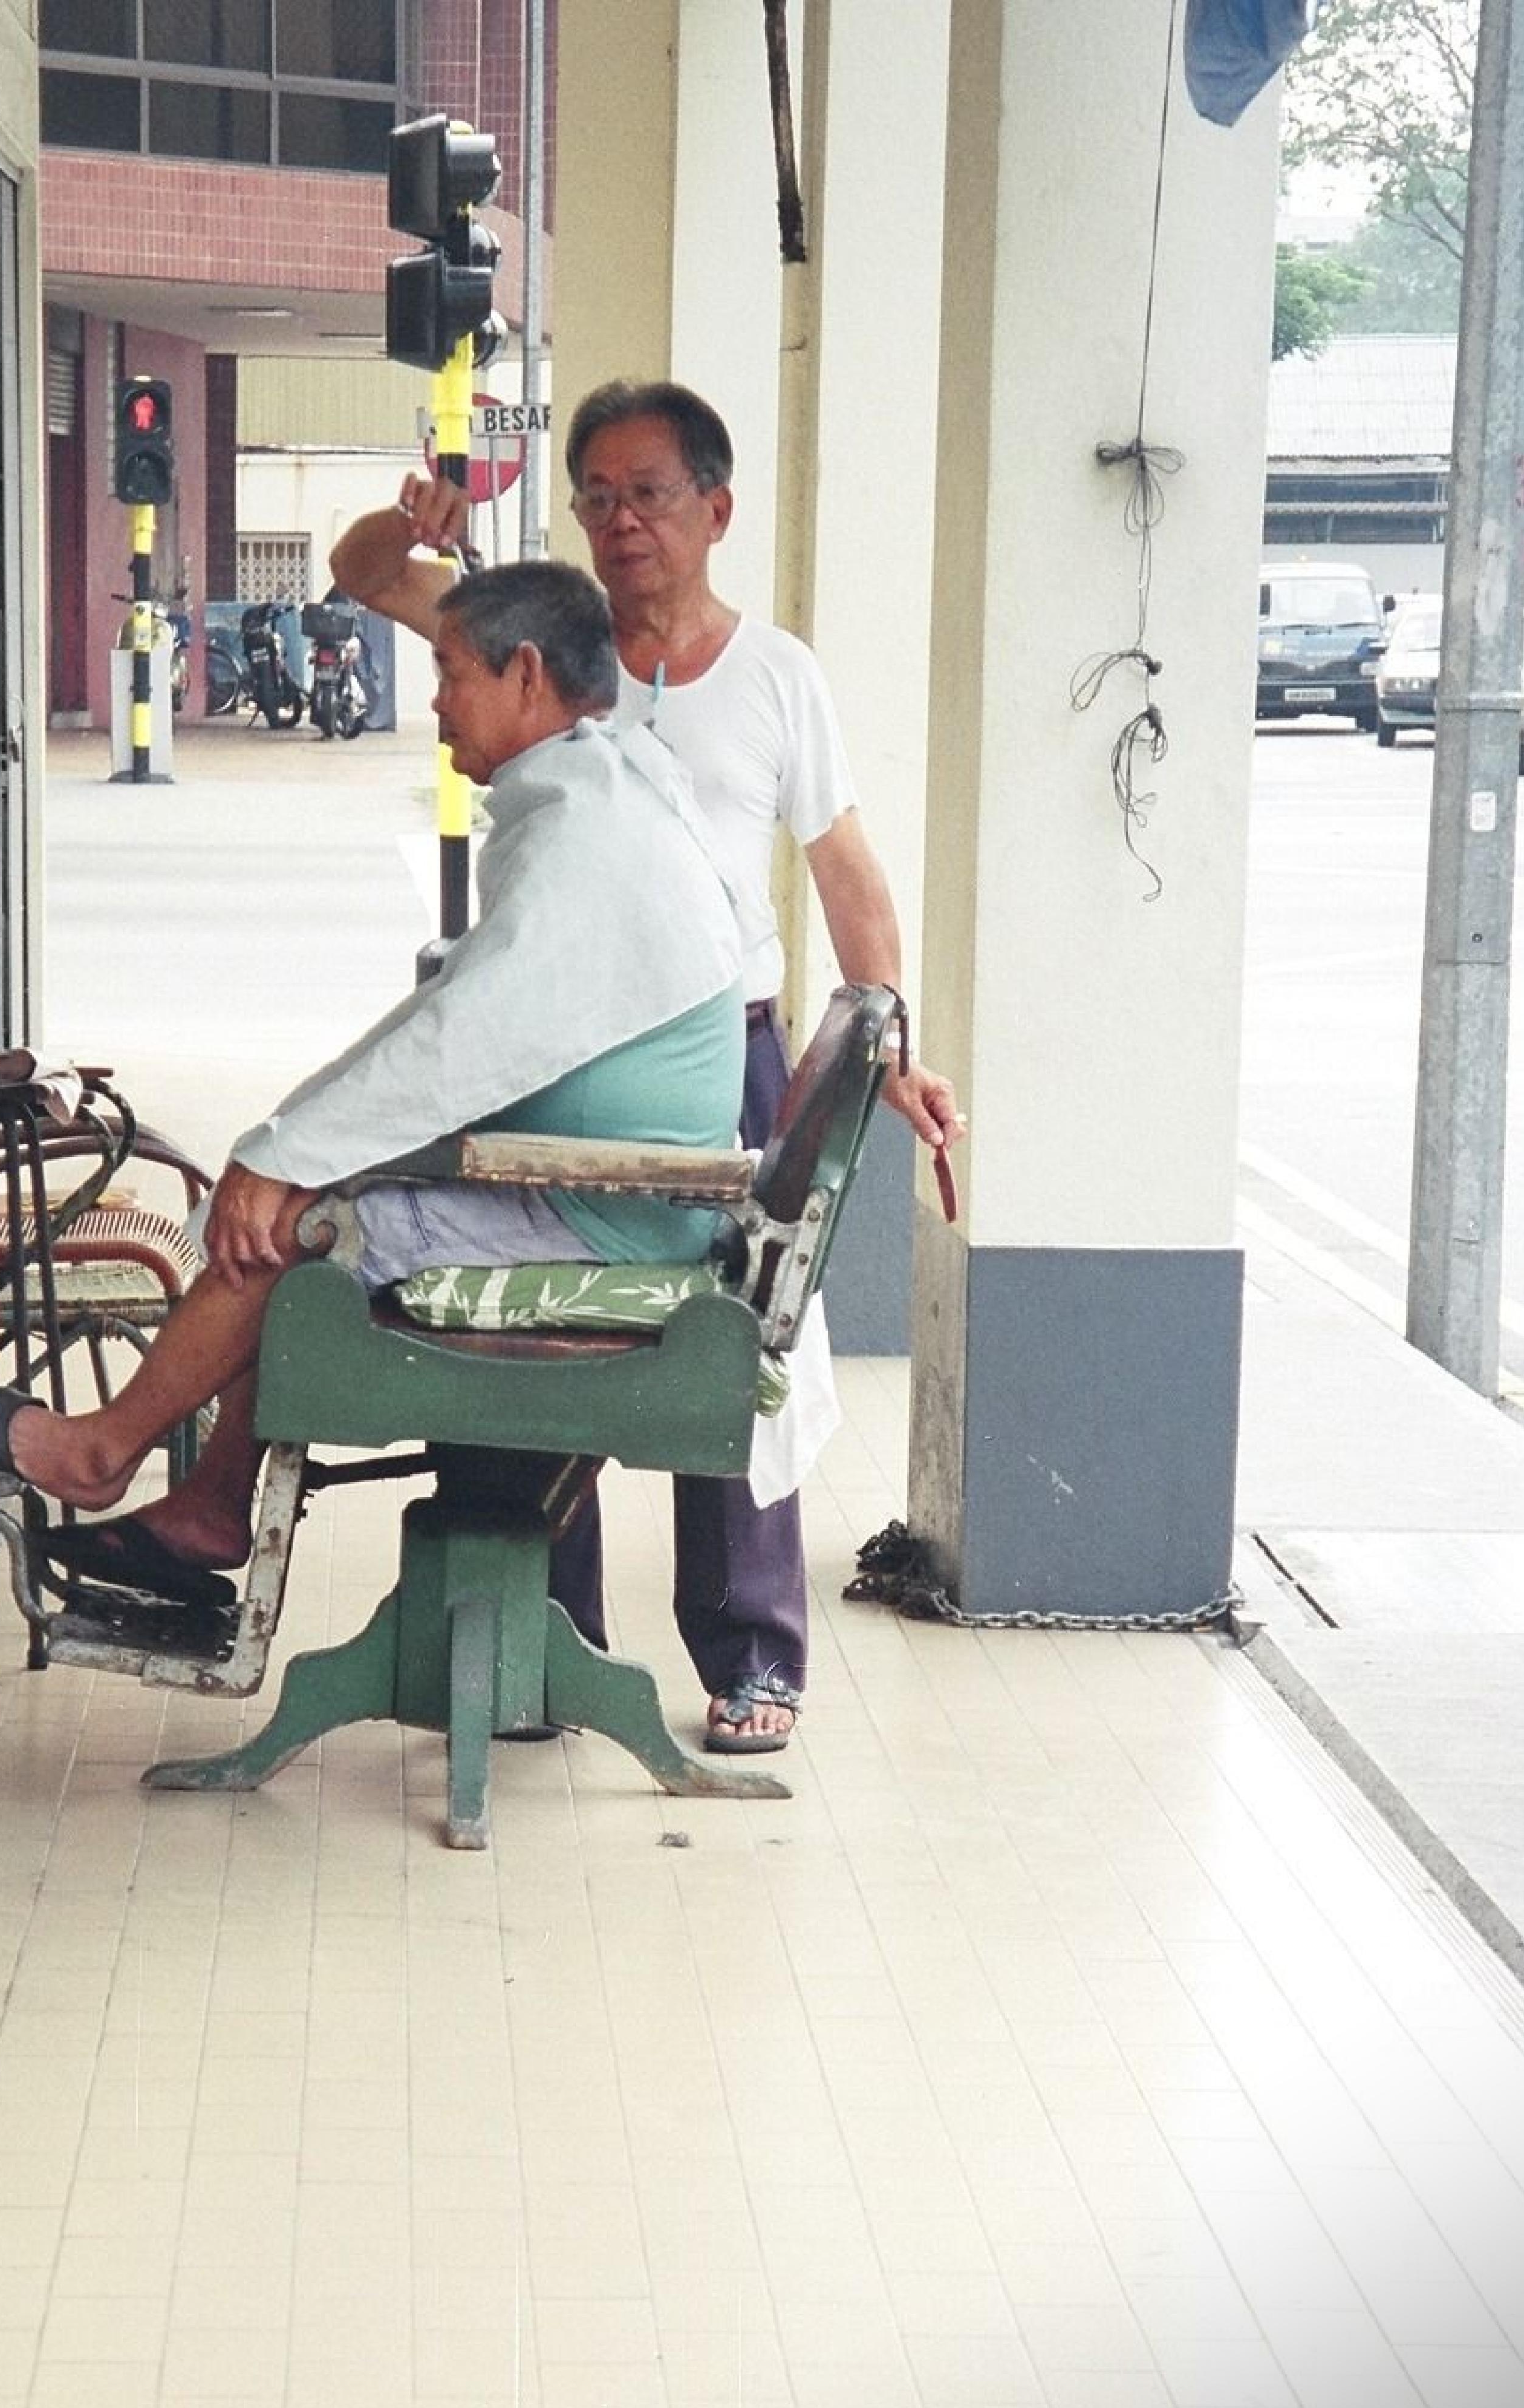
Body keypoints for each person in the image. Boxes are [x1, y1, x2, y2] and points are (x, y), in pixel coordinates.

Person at [330, 380, 962, 1753]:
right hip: (552, 1053)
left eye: (649, 495)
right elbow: (366, 574)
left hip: (726, 1054)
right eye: (596, 497)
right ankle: (539, 1649)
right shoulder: (537, 643)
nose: (620, 524)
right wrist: (412, 520)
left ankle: (751, 1653)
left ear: (714, 511)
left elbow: (843, 868)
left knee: (729, 1358)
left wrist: (890, 1042)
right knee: (523, 1344)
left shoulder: (776, 675)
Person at [0, 563, 747, 1562]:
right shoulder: (599, 793)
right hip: (598, 1190)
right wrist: (284, 1141)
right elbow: (455, 1022)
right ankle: (212, 1504)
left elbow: (459, 1048)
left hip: (610, 1218)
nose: (437, 701)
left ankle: (106, 1452)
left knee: (298, 1224)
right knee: (295, 1184)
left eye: (451, 675)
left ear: (525, 674)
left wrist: (287, 1160)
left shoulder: (589, 831)